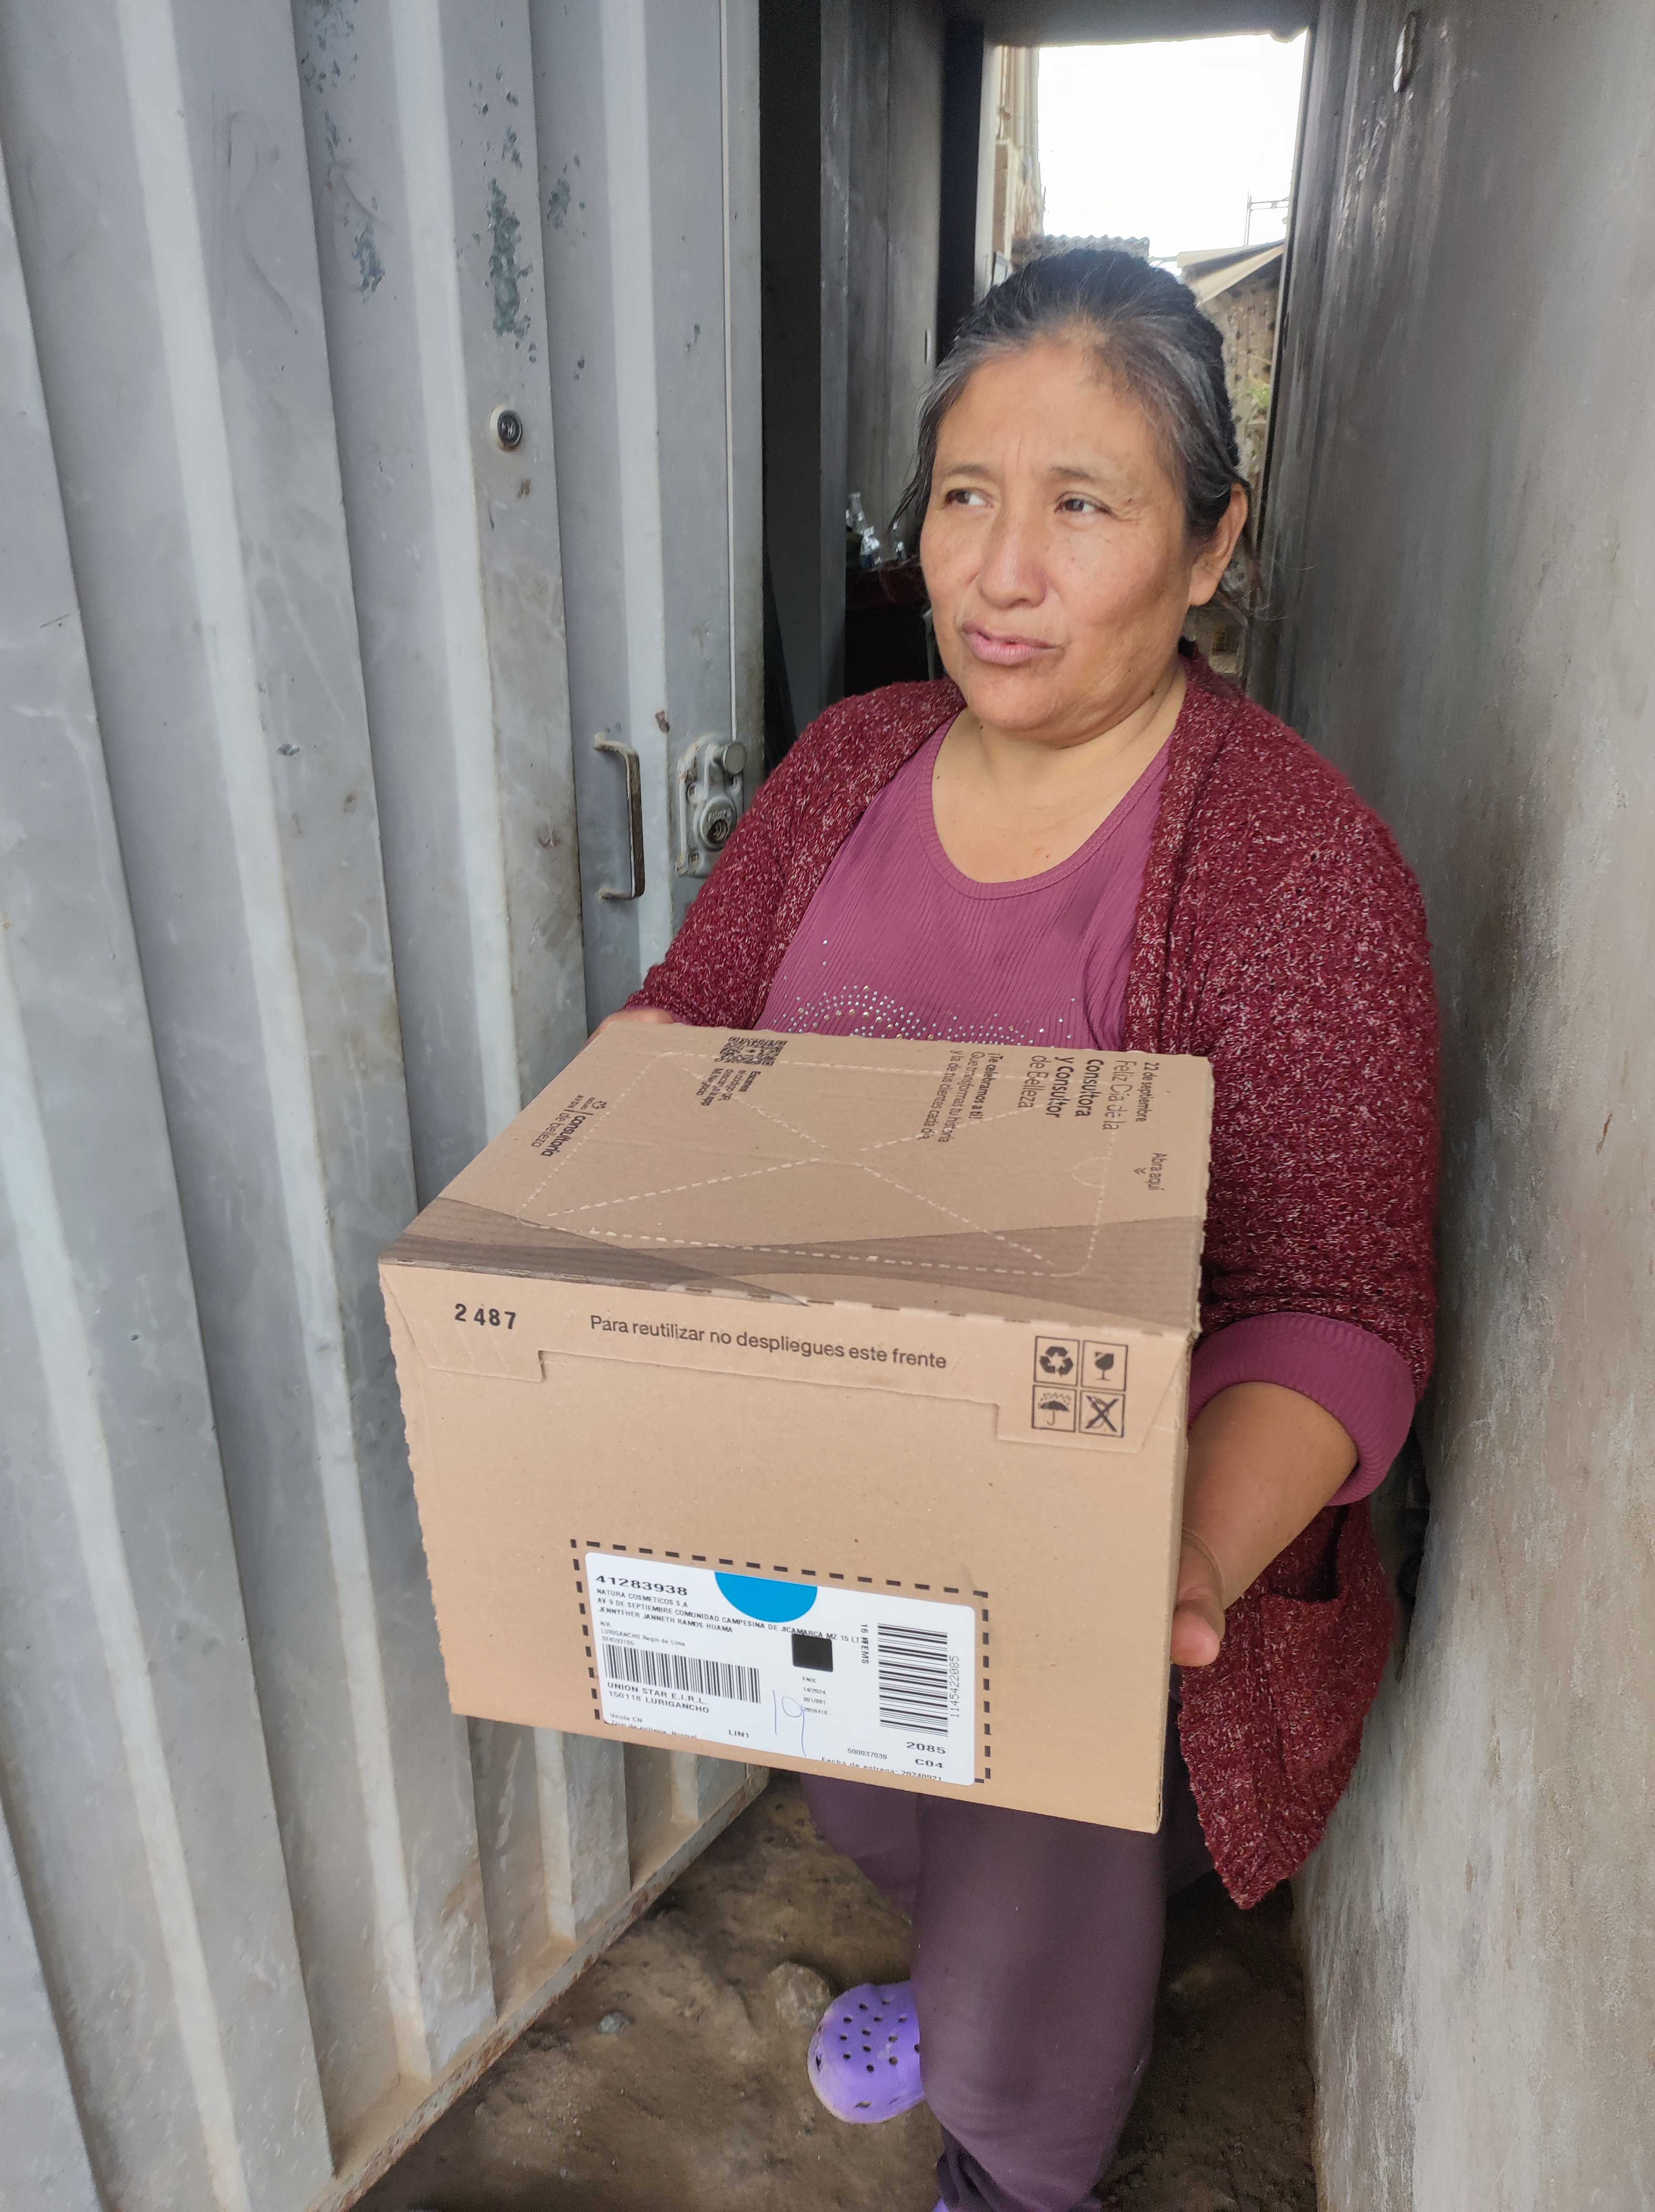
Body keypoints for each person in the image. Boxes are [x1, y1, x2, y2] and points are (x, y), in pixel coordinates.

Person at [603, 248, 1437, 2212]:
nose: (1000, 570)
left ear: (1212, 544)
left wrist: (1175, 1559)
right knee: (876, 1806)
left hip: (1096, 1550)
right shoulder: (848, 770)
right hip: (833, 1488)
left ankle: (1013, 2163)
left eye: (1083, 505)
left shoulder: (1296, 865)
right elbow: (685, 1023)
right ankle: (963, 1983)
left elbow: (1339, 1302)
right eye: (967, 495)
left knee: (1019, 1980)